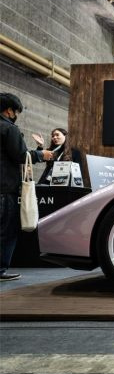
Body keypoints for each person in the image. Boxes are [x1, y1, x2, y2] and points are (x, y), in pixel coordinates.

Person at [0, 93, 54, 281]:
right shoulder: (9, 128)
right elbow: (21, 155)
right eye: (16, 112)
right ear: (9, 110)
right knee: (6, 231)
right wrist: (41, 154)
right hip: (5, 188)